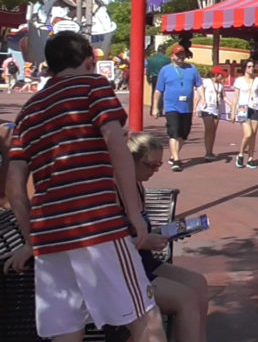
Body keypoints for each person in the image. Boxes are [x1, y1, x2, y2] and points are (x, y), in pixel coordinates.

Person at [2, 31, 166, 342]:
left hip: (49, 237)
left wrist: (31, 238)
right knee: (145, 320)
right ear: (89, 60)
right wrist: (133, 213)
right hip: (97, 226)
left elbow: (15, 184)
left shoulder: (28, 113)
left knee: (66, 332)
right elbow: (116, 144)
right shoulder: (93, 87)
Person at [128, 133, 210, 342]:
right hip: (127, 270)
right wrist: (144, 242)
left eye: (159, 164)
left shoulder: (137, 186)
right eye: (150, 165)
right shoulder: (115, 191)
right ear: (130, 160)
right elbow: (108, 242)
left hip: (144, 262)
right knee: (185, 299)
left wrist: (165, 232)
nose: (155, 170)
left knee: (198, 283)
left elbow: (140, 232)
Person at [152, 45, 203, 172]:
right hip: (171, 107)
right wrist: (155, 107)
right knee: (174, 132)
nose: (180, 57)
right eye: (178, 54)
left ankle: (173, 154)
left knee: (183, 134)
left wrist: (204, 98)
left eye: (182, 54)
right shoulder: (165, 70)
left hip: (187, 107)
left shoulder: (192, 69)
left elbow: (199, 85)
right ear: (172, 56)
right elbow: (158, 90)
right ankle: (176, 160)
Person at [230, 59, 258, 169]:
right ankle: (240, 154)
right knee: (248, 134)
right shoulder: (239, 81)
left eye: (252, 66)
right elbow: (235, 98)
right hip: (243, 108)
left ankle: (250, 158)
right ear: (244, 68)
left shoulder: (257, 80)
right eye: (249, 66)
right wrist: (233, 112)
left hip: (255, 108)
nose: (251, 68)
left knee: (253, 135)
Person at [195, 67, 228, 162]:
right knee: (209, 128)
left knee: (213, 131)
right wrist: (195, 107)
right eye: (221, 75)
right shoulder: (206, 82)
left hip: (216, 108)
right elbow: (198, 95)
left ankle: (210, 151)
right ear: (216, 74)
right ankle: (208, 152)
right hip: (206, 108)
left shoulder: (220, 86)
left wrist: (233, 105)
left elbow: (224, 97)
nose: (222, 77)